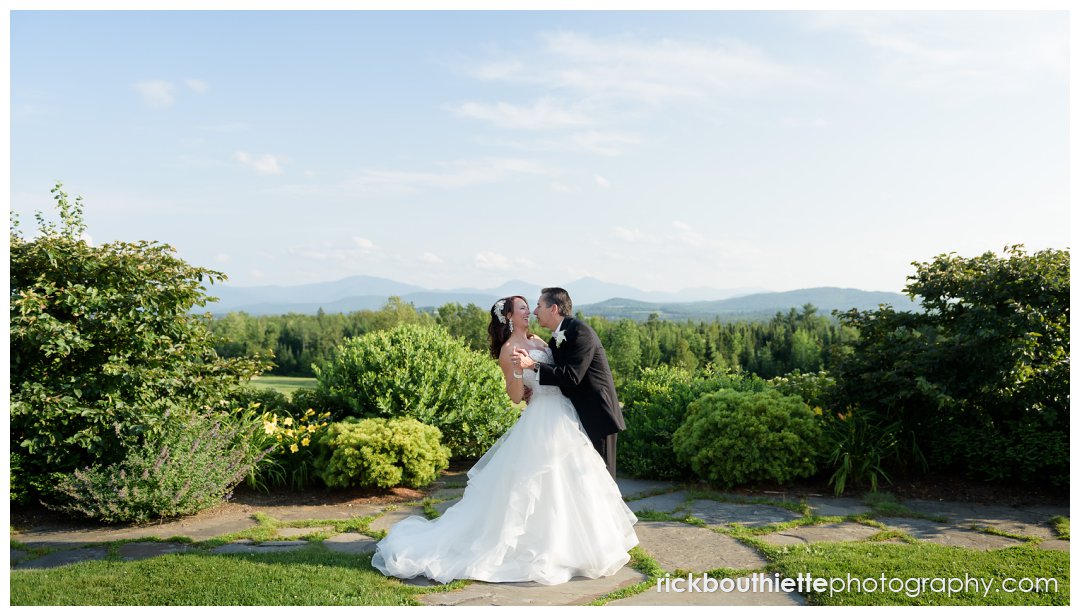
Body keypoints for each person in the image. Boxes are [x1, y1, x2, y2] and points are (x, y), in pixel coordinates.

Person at [370, 295, 638, 586]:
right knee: (538, 482)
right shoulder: (509, 349)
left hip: (564, 414)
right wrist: (521, 373)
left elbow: (561, 374)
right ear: (509, 316)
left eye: (530, 307)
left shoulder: (539, 340)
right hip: (542, 419)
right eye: (523, 308)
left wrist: (537, 372)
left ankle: (578, 544)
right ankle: (541, 548)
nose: (529, 312)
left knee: (573, 478)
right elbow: (515, 396)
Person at [513, 287, 625, 478]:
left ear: (553, 309)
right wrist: (534, 387)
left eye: (539, 306)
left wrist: (532, 365)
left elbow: (571, 376)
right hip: (574, 417)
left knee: (602, 479)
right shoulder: (557, 337)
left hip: (597, 416)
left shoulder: (580, 332)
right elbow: (557, 374)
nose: (535, 311)